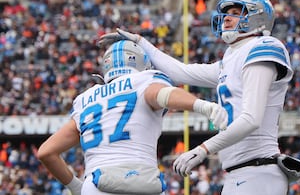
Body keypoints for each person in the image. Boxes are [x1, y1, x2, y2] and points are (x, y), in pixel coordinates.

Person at [98, 0, 300, 194]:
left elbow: (251, 118)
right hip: (240, 172)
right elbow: (180, 72)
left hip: (259, 169)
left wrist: (203, 149)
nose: (227, 18)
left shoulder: (263, 46)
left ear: (257, 16)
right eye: (226, 13)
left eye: (236, 11)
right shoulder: (231, 59)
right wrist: (140, 42)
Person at [37, 40, 228, 195]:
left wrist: (77, 187)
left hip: (97, 183)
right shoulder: (144, 80)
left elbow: (46, 152)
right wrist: (202, 105)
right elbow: (159, 94)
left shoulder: (85, 99)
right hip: (143, 181)